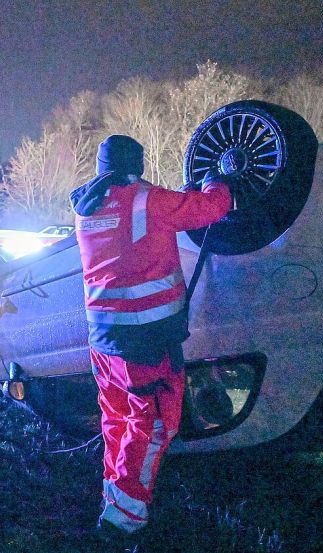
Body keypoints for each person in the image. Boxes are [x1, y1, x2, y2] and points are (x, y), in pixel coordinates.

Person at [70, 135, 231, 537]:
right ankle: (124, 522)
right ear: (137, 164)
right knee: (155, 423)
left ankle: (115, 498)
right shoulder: (150, 200)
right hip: (146, 338)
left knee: (117, 418)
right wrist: (218, 178)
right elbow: (214, 207)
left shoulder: (86, 206)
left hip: (103, 339)